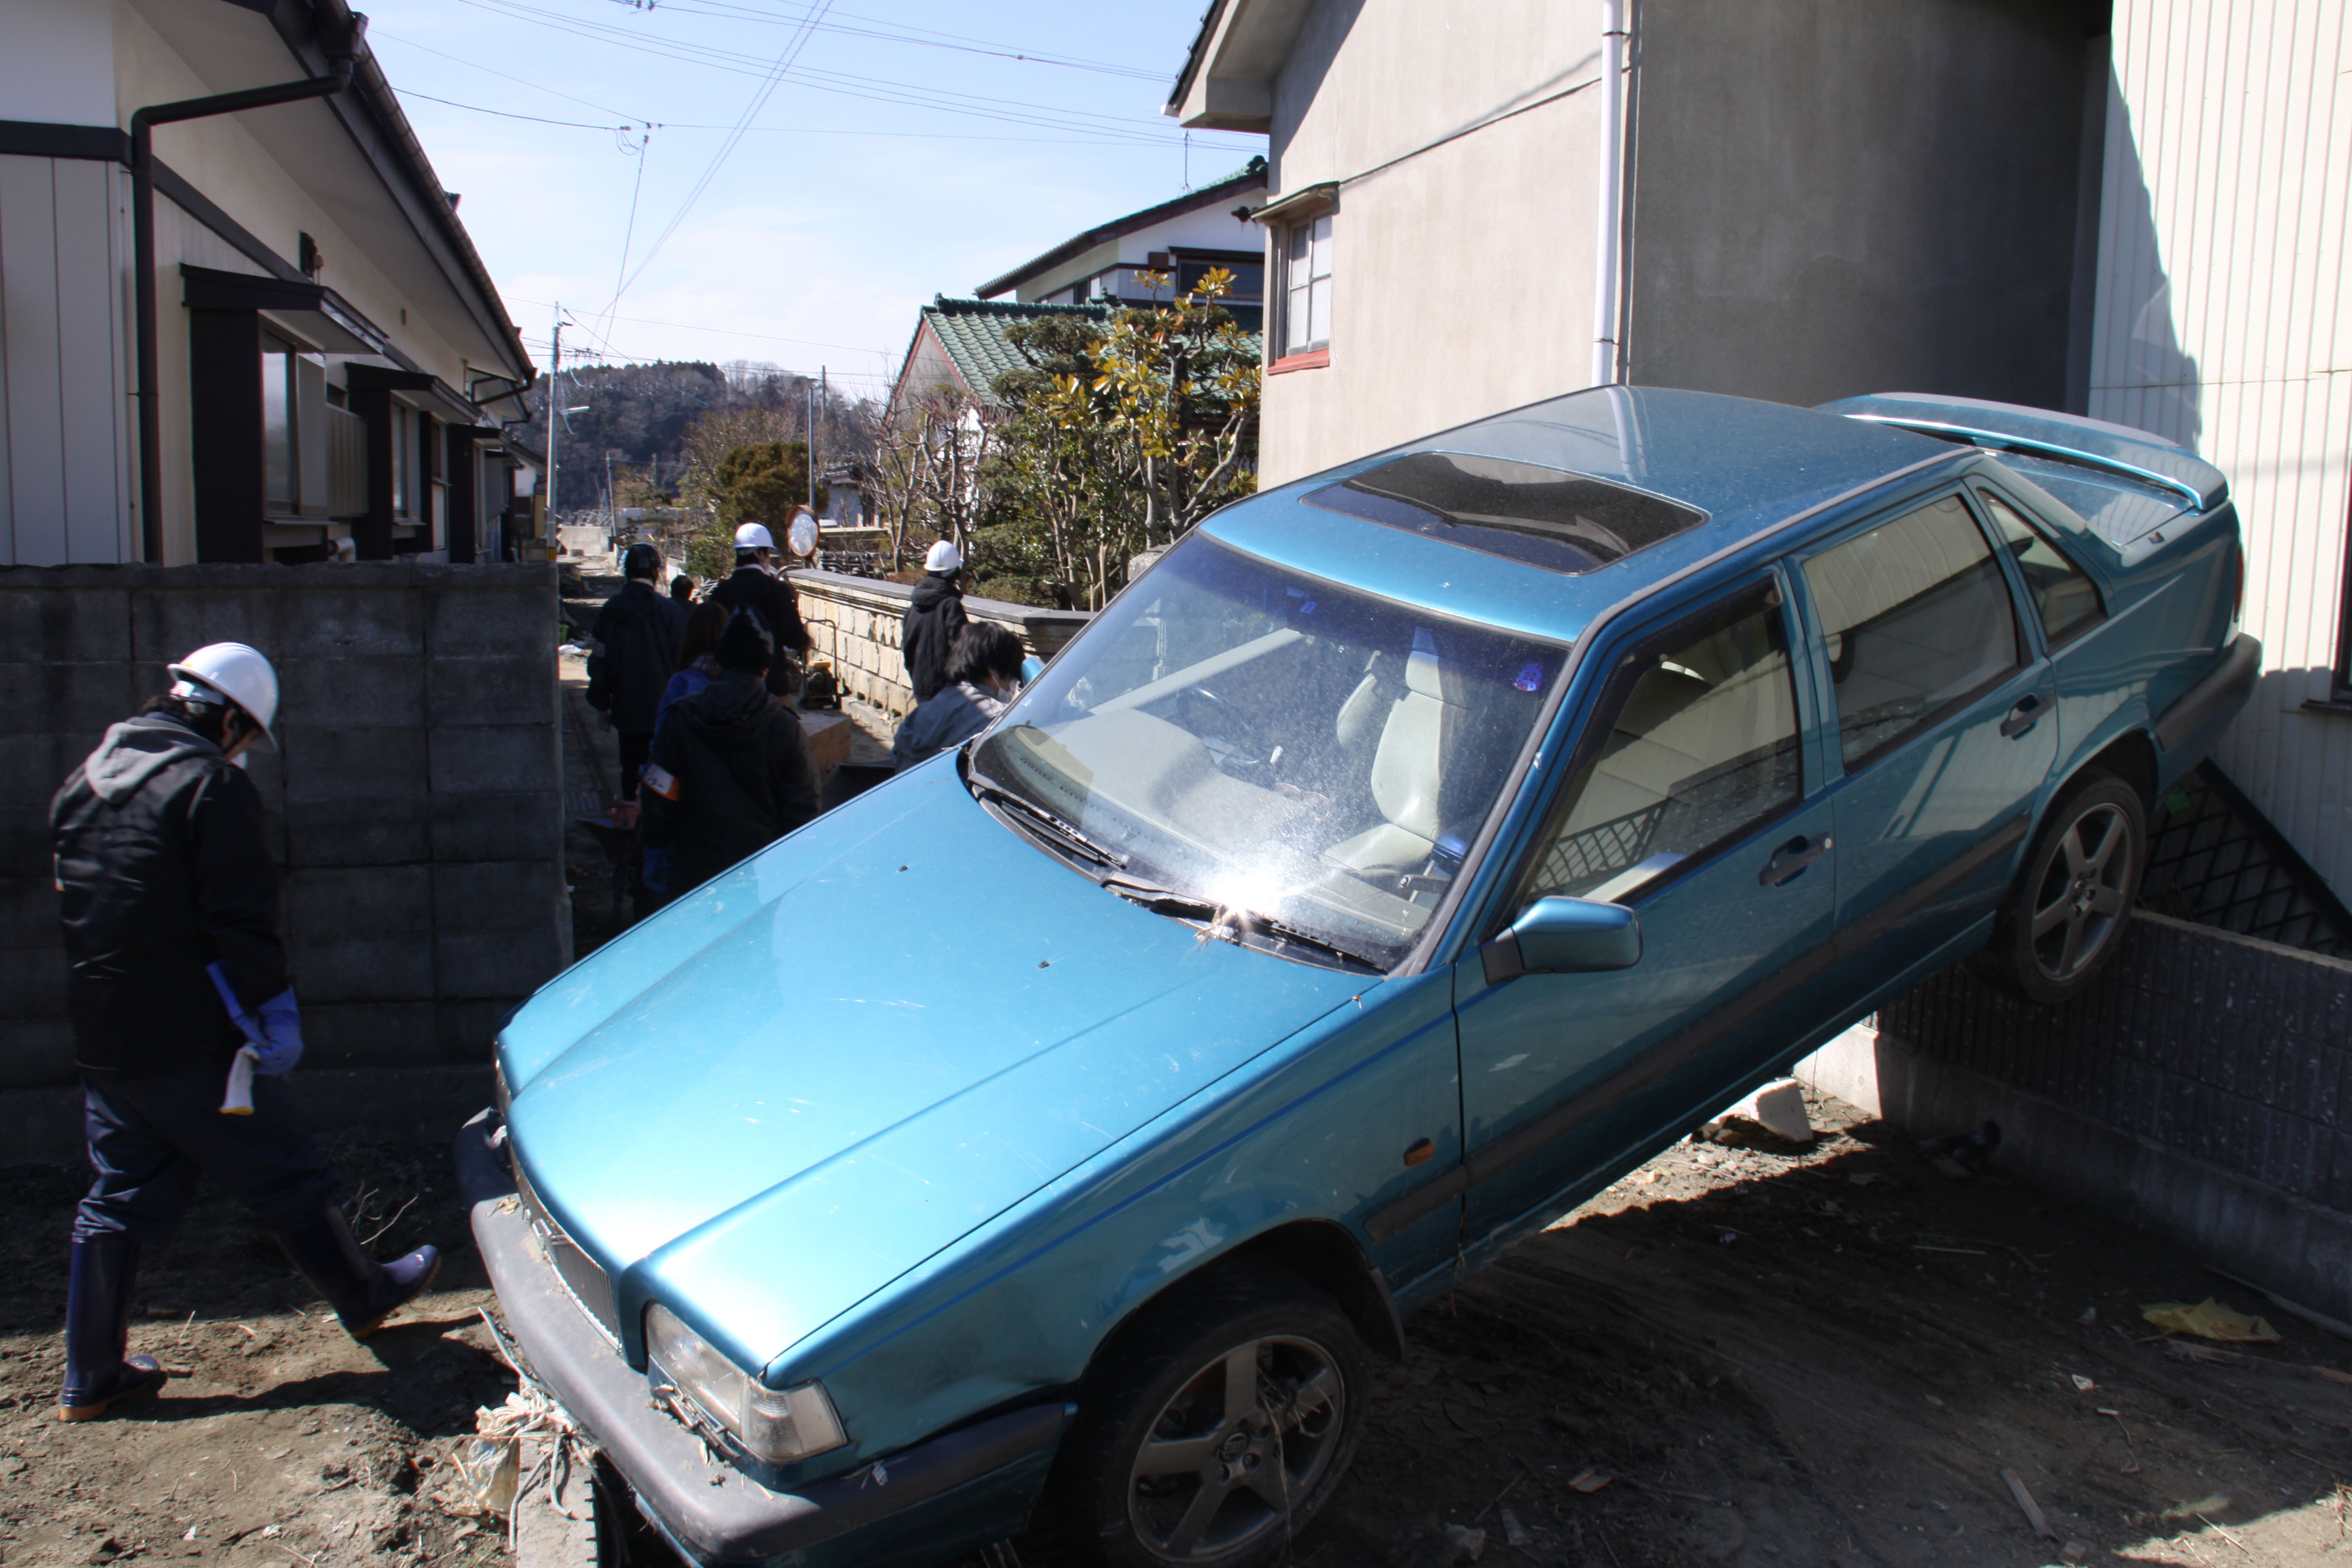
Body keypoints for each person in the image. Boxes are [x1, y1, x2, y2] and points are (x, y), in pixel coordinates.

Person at [48, 644, 439, 1422]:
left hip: (105, 1036)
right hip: (195, 1035)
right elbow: (240, 916)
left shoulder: (82, 783)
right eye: (248, 736)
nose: (244, 751)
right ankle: (363, 1293)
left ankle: (90, 1374)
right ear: (227, 719)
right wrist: (269, 1005)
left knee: (118, 1195)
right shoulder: (208, 786)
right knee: (282, 1168)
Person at [640, 609, 821, 898]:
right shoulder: (784, 726)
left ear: (721, 661)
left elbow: (659, 794)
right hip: (759, 871)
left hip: (693, 864)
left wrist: (656, 850)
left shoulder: (681, 717)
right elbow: (803, 805)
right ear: (765, 668)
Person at [587, 542, 687, 826]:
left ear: (626, 572)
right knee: (665, 774)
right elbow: (684, 661)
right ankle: (661, 828)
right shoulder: (669, 611)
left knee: (630, 772)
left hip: (627, 710)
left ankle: (633, 828)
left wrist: (602, 704)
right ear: (656, 573)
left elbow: (599, 661)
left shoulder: (611, 610)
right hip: (664, 712)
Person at [640, 597, 731, 902]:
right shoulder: (747, 690)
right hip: (738, 821)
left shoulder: (682, 684)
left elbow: (661, 758)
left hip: (689, 814)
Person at [892, 622, 1025, 771]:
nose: (1012, 685)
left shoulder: (929, 708)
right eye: (1012, 677)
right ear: (993, 670)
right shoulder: (994, 719)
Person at [708, 522, 809, 699]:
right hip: (772, 686)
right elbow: (793, 637)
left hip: (727, 688)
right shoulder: (777, 590)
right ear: (761, 555)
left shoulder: (720, 592)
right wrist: (806, 641)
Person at [900, 539, 969, 704]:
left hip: (922, 688)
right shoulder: (951, 606)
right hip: (948, 693)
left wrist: (917, 681)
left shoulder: (913, 609)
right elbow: (962, 651)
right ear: (955, 573)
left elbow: (907, 650)